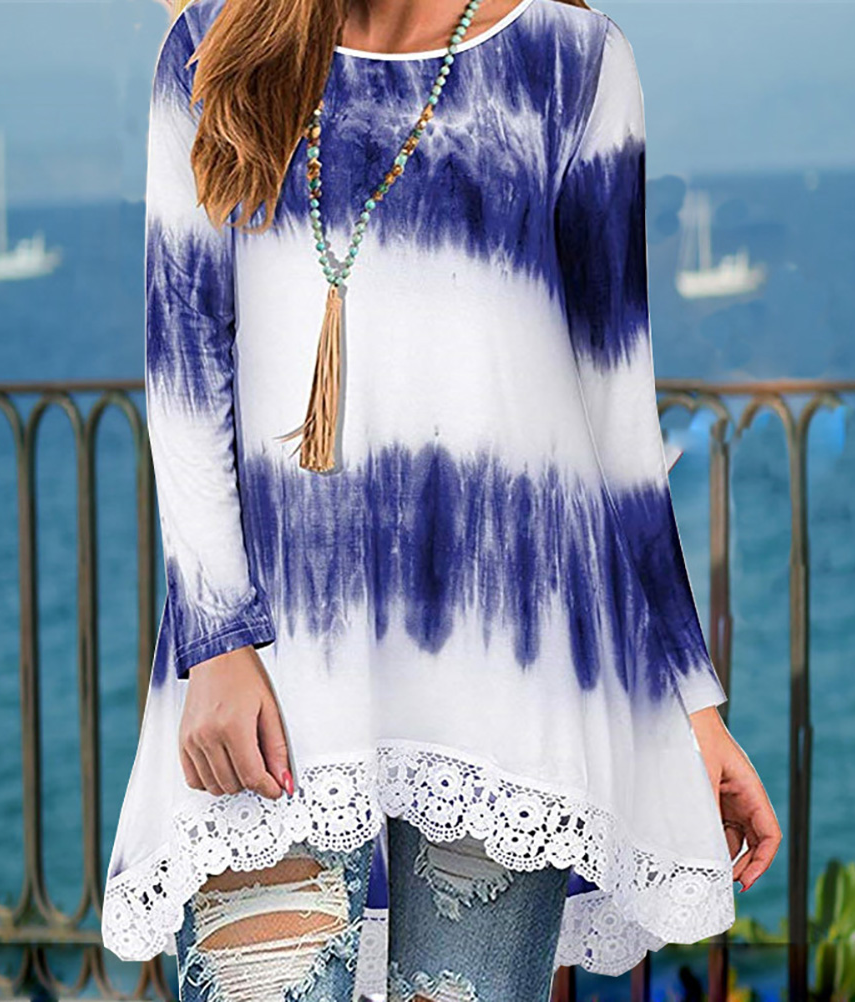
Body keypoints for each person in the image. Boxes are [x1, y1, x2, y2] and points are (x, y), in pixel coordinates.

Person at [101, 0, 783, 998]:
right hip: (274, 668)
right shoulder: (216, 44)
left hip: (515, 675)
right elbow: (184, 370)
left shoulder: (573, 61)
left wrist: (692, 704)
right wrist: (216, 644)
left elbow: (616, 417)